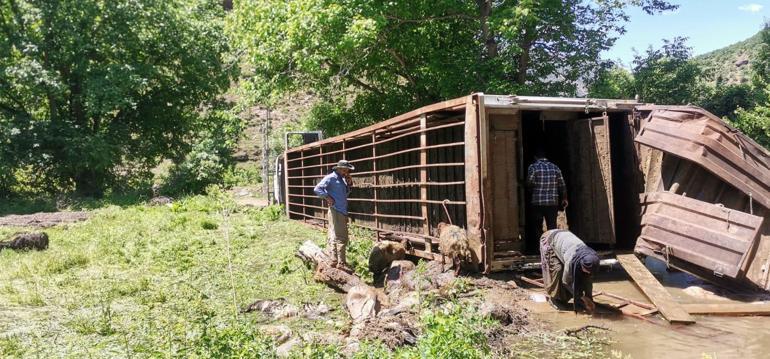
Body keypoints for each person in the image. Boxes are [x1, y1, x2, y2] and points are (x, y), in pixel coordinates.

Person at [539, 229, 600, 313]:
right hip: (549, 239)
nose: (589, 273)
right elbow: (566, 281)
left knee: (584, 276)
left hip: (563, 239)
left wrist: (589, 297)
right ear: (580, 263)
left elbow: (588, 280)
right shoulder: (572, 259)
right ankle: (554, 299)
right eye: (587, 270)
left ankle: (568, 296)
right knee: (558, 270)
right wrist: (581, 297)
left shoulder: (590, 256)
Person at [314, 160, 355, 272]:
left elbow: (344, 194)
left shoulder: (342, 179)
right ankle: (341, 262)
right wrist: (327, 197)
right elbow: (317, 189)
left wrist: (349, 183)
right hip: (336, 210)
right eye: (344, 170)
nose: (346, 172)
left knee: (334, 234)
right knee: (341, 236)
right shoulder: (330, 177)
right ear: (338, 169)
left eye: (347, 170)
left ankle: (334, 260)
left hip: (340, 210)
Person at [526, 149, 567, 243]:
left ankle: (539, 248)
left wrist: (531, 191)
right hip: (552, 202)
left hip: (537, 202)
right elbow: (562, 185)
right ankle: (552, 247)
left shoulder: (533, 167)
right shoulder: (555, 167)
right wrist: (564, 198)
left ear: (535, 157)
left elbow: (529, 183)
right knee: (552, 226)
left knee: (537, 226)